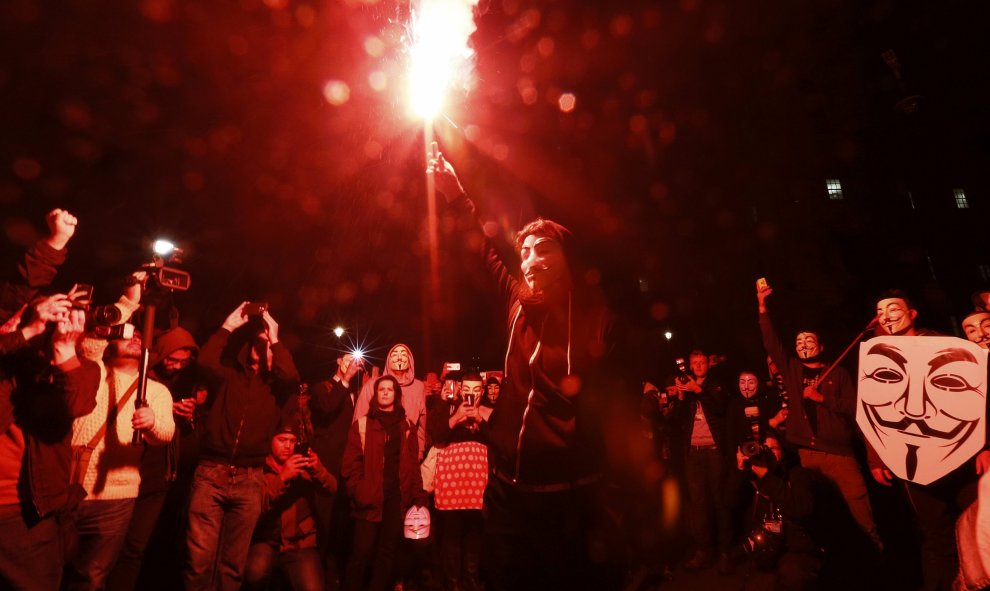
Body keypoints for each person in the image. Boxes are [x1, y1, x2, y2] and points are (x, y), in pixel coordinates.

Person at [431, 151, 619, 591]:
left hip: (568, 497)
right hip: (508, 492)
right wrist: (456, 195)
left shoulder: (595, 316)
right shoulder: (518, 303)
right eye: (525, 251)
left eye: (543, 249)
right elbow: (483, 246)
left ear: (567, 258)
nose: (530, 258)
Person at [865, 289, 989, 591]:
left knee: (976, 527)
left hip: (961, 454)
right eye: (881, 311)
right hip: (912, 458)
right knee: (936, 535)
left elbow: (976, 396)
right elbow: (872, 403)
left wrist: (984, 445)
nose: (887, 315)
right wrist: (877, 455)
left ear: (913, 313)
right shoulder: (877, 354)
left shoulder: (946, 344)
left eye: (894, 308)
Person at [756, 279, 881, 549]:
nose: (803, 344)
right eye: (799, 341)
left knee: (860, 512)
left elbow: (853, 409)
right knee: (819, 515)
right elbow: (771, 342)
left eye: (809, 340)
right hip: (807, 456)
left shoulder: (838, 373)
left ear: (820, 347)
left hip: (840, 455)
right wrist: (762, 307)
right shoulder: (792, 370)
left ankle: (873, 556)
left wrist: (822, 398)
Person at [184, 303, 300, 591]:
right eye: (258, 344)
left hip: (250, 478)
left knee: (232, 565)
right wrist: (228, 326)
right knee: (198, 560)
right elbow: (205, 361)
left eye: (268, 347)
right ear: (247, 348)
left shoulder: (277, 387)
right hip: (211, 473)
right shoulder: (229, 376)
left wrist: (274, 336)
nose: (263, 350)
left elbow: (292, 377)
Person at [63, 296, 176, 591]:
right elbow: (91, 344)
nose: (135, 338)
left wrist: (152, 422)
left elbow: (166, 433)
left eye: (140, 337)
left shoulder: (156, 390)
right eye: (128, 334)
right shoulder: (93, 372)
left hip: (116, 495)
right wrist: (129, 302)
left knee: (92, 577)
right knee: (49, 569)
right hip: (67, 487)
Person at [0, 297, 100, 591]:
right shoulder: (8, 362)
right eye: (50, 317)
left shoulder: (82, 369)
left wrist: (64, 348)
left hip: (26, 513)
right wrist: (27, 332)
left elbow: (75, 403)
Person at [107, 325, 206, 591]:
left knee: (135, 548)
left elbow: (179, 436)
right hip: (125, 472)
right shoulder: (137, 376)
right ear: (160, 353)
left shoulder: (186, 383)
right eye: (172, 359)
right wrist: (161, 409)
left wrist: (185, 416)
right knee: (107, 547)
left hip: (157, 478)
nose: (176, 366)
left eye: (183, 362)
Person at [734, 433, 879, 591]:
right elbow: (730, 503)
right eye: (762, 448)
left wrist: (766, 476)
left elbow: (800, 508)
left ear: (783, 451)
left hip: (800, 553)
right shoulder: (754, 479)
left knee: (791, 573)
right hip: (768, 553)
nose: (768, 452)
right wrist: (741, 471)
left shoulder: (798, 475)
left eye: (773, 448)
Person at [341, 375, 427, 591]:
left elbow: (413, 465)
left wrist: (417, 495)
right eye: (381, 389)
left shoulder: (407, 426)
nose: (386, 392)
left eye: (390, 389)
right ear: (375, 394)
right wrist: (359, 491)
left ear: (397, 395)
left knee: (386, 554)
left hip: (395, 500)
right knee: (361, 553)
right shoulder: (362, 425)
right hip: (369, 499)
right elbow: (351, 465)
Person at [243, 421, 337, 591]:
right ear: (271, 440)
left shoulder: (303, 465)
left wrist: (318, 469)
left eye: (292, 441)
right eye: (282, 439)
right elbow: (256, 505)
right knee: (254, 573)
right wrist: (283, 477)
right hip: (267, 540)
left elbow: (332, 489)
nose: (287, 446)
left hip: (300, 543)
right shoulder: (259, 467)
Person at [668, 349, 734, 574]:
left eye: (701, 362)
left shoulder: (717, 384)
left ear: (708, 364)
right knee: (698, 504)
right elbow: (676, 419)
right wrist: (680, 395)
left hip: (714, 450)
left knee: (719, 500)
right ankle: (703, 552)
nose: (697, 366)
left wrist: (700, 390)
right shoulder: (686, 386)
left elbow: (720, 408)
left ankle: (725, 553)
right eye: (694, 362)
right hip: (693, 452)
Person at [427, 372, 490, 591]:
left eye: (476, 390)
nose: (471, 393)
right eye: (467, 389)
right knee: (451, 533)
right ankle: (453, 582)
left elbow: (498, 439)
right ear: (461, 389)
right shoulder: (449, 408)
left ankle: (471, 577)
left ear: (481, 392)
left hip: (478, 481)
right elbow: (435, 433)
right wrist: (455, 418)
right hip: (452, 481)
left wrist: (479, 420)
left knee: (475, 531)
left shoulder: (489, 411)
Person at [307, 351, 365, 589]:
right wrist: (345, 380)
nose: (352, 365)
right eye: (347, 360)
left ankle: (338, 573)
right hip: (327, 464)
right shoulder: (322, 387)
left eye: (355, 361)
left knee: (345, 523)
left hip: (349, 465)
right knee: (325, 521)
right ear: (339, 363)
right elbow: (327, 409)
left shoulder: (356, 392)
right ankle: (319, 575)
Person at [352, 344, 427, 461]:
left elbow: (422, 424)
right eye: (394, 355)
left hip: (407, 451)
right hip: (376, 450)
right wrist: (358, 452)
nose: (399, 358)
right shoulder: (373, 385)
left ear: (410, 361)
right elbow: (359, 419)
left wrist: (420, 451)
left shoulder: (418, 387)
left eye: (403, 354)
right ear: (388, 360)